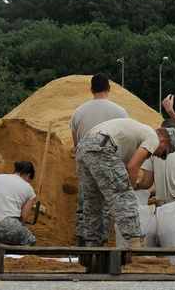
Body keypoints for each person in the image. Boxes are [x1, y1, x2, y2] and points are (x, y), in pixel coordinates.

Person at [77, 118, 175, 248]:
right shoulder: (153, 137)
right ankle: (136, 242)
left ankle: (92, 245)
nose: (159, 156)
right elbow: (132, 167)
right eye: (164, 152)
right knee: (124, 195)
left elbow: (121, 169)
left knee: (92, 199)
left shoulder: (134, 136)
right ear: (163, 141)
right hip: (103, 146)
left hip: (84, 146)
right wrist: (130, 189)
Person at [69, 73, 128, 246]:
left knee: (86, 202)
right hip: (109, 166)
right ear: (109, 88)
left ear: (91, 89)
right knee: (105, 206)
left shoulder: (78, 112)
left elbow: (76, 144)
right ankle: (99, 243)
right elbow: (124, 140)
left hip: (85, 165)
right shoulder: (120, 112)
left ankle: (82, 240)